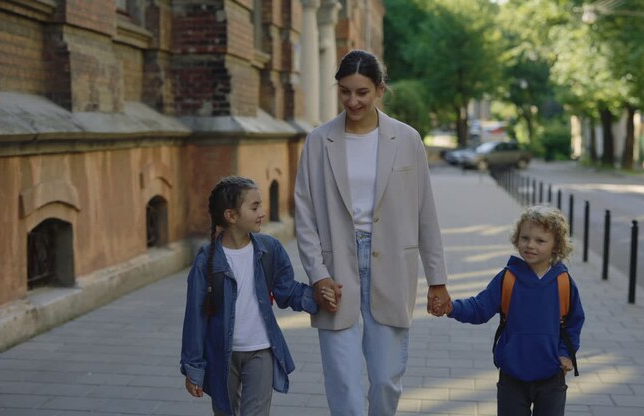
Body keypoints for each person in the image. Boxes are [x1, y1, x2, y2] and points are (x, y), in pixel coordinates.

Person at [294, 49, 451, 416]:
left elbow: (425, 212)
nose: (353, 101)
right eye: (345, 91)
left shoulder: (407, 139)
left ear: (380, 90)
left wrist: (437, 279)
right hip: (336, 271)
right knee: (344, 386)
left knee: (385, 380)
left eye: (362, 92)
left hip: (393, 264)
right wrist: (317, 275)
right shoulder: (318, 141)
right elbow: (305, 215)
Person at [180, 176, 337, 416]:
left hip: (262, 350)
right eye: (254, 207)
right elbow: (195, 317)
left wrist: (316, 296)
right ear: (231, 216)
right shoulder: (206, 261)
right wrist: (194, 368)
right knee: (224, 412)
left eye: (261, 205)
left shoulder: (269, 249)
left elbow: (286, 290)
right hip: (222, 353)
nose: (262, 212)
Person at [437, 205, 585, 416]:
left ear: (556, 246)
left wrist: (566, 354)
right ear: (517, 240)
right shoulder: (507, 278)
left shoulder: (563, 283)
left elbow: (574, 322)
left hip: (551, 375)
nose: (530, 245)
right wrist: (451, 307)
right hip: (512, 376)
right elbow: (479, 308)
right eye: (525, 238)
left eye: (540, 240)